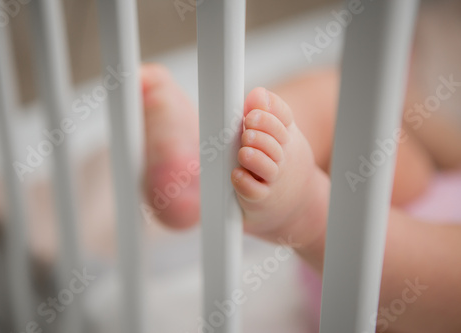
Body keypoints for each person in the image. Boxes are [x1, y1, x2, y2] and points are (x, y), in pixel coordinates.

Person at [141, 63, 461, 333]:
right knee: (344, 97)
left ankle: (308, 213)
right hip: (359, 263)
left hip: (417, 289)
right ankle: (211, 165)